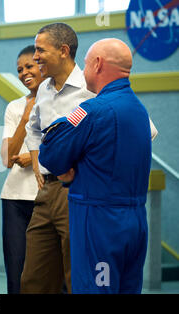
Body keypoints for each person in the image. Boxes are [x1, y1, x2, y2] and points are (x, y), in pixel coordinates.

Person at [38, 38, 153, 294]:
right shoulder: (139, 110)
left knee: (95, 289)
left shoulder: (93, 110)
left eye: (87, 63)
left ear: (98, 64)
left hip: (100, 223)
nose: (85, 69)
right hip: (135, 221)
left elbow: (50, 153)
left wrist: (66, 168)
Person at [20, 23, 96, 294]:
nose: (35, 56)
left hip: (78, 192)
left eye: (41, 50)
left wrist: (89, 170)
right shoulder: (44, 89)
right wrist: (36, 156)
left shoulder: (93, 85)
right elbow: (34, 128)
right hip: (46, 192)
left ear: (63, 51)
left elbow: (140, 131)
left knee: (77, 277)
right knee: (33, 280)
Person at [0, 45, 44, 294]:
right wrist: (26, 116)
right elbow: (7, 158)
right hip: (15, 199)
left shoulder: (65, 101)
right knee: (16, 272)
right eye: (20, 69)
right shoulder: (14, 107)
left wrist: (35, 157)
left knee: (52, 274)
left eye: (30, 66)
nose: (24, 72)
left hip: (47, 197)